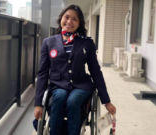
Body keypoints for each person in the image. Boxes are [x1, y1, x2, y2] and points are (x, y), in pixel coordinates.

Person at [34, 4, 116, 135]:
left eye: (74, 19)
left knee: (73, 102)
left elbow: (95, 71)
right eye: (67, 17)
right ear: (61, 18)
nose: (69, 22)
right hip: (58, 84)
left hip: (81, 85)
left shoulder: (86, 43)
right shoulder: (48, 42)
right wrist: (38, 103)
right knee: (59, 97)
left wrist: (107, 101)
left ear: (79, 23)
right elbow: (43, 73)